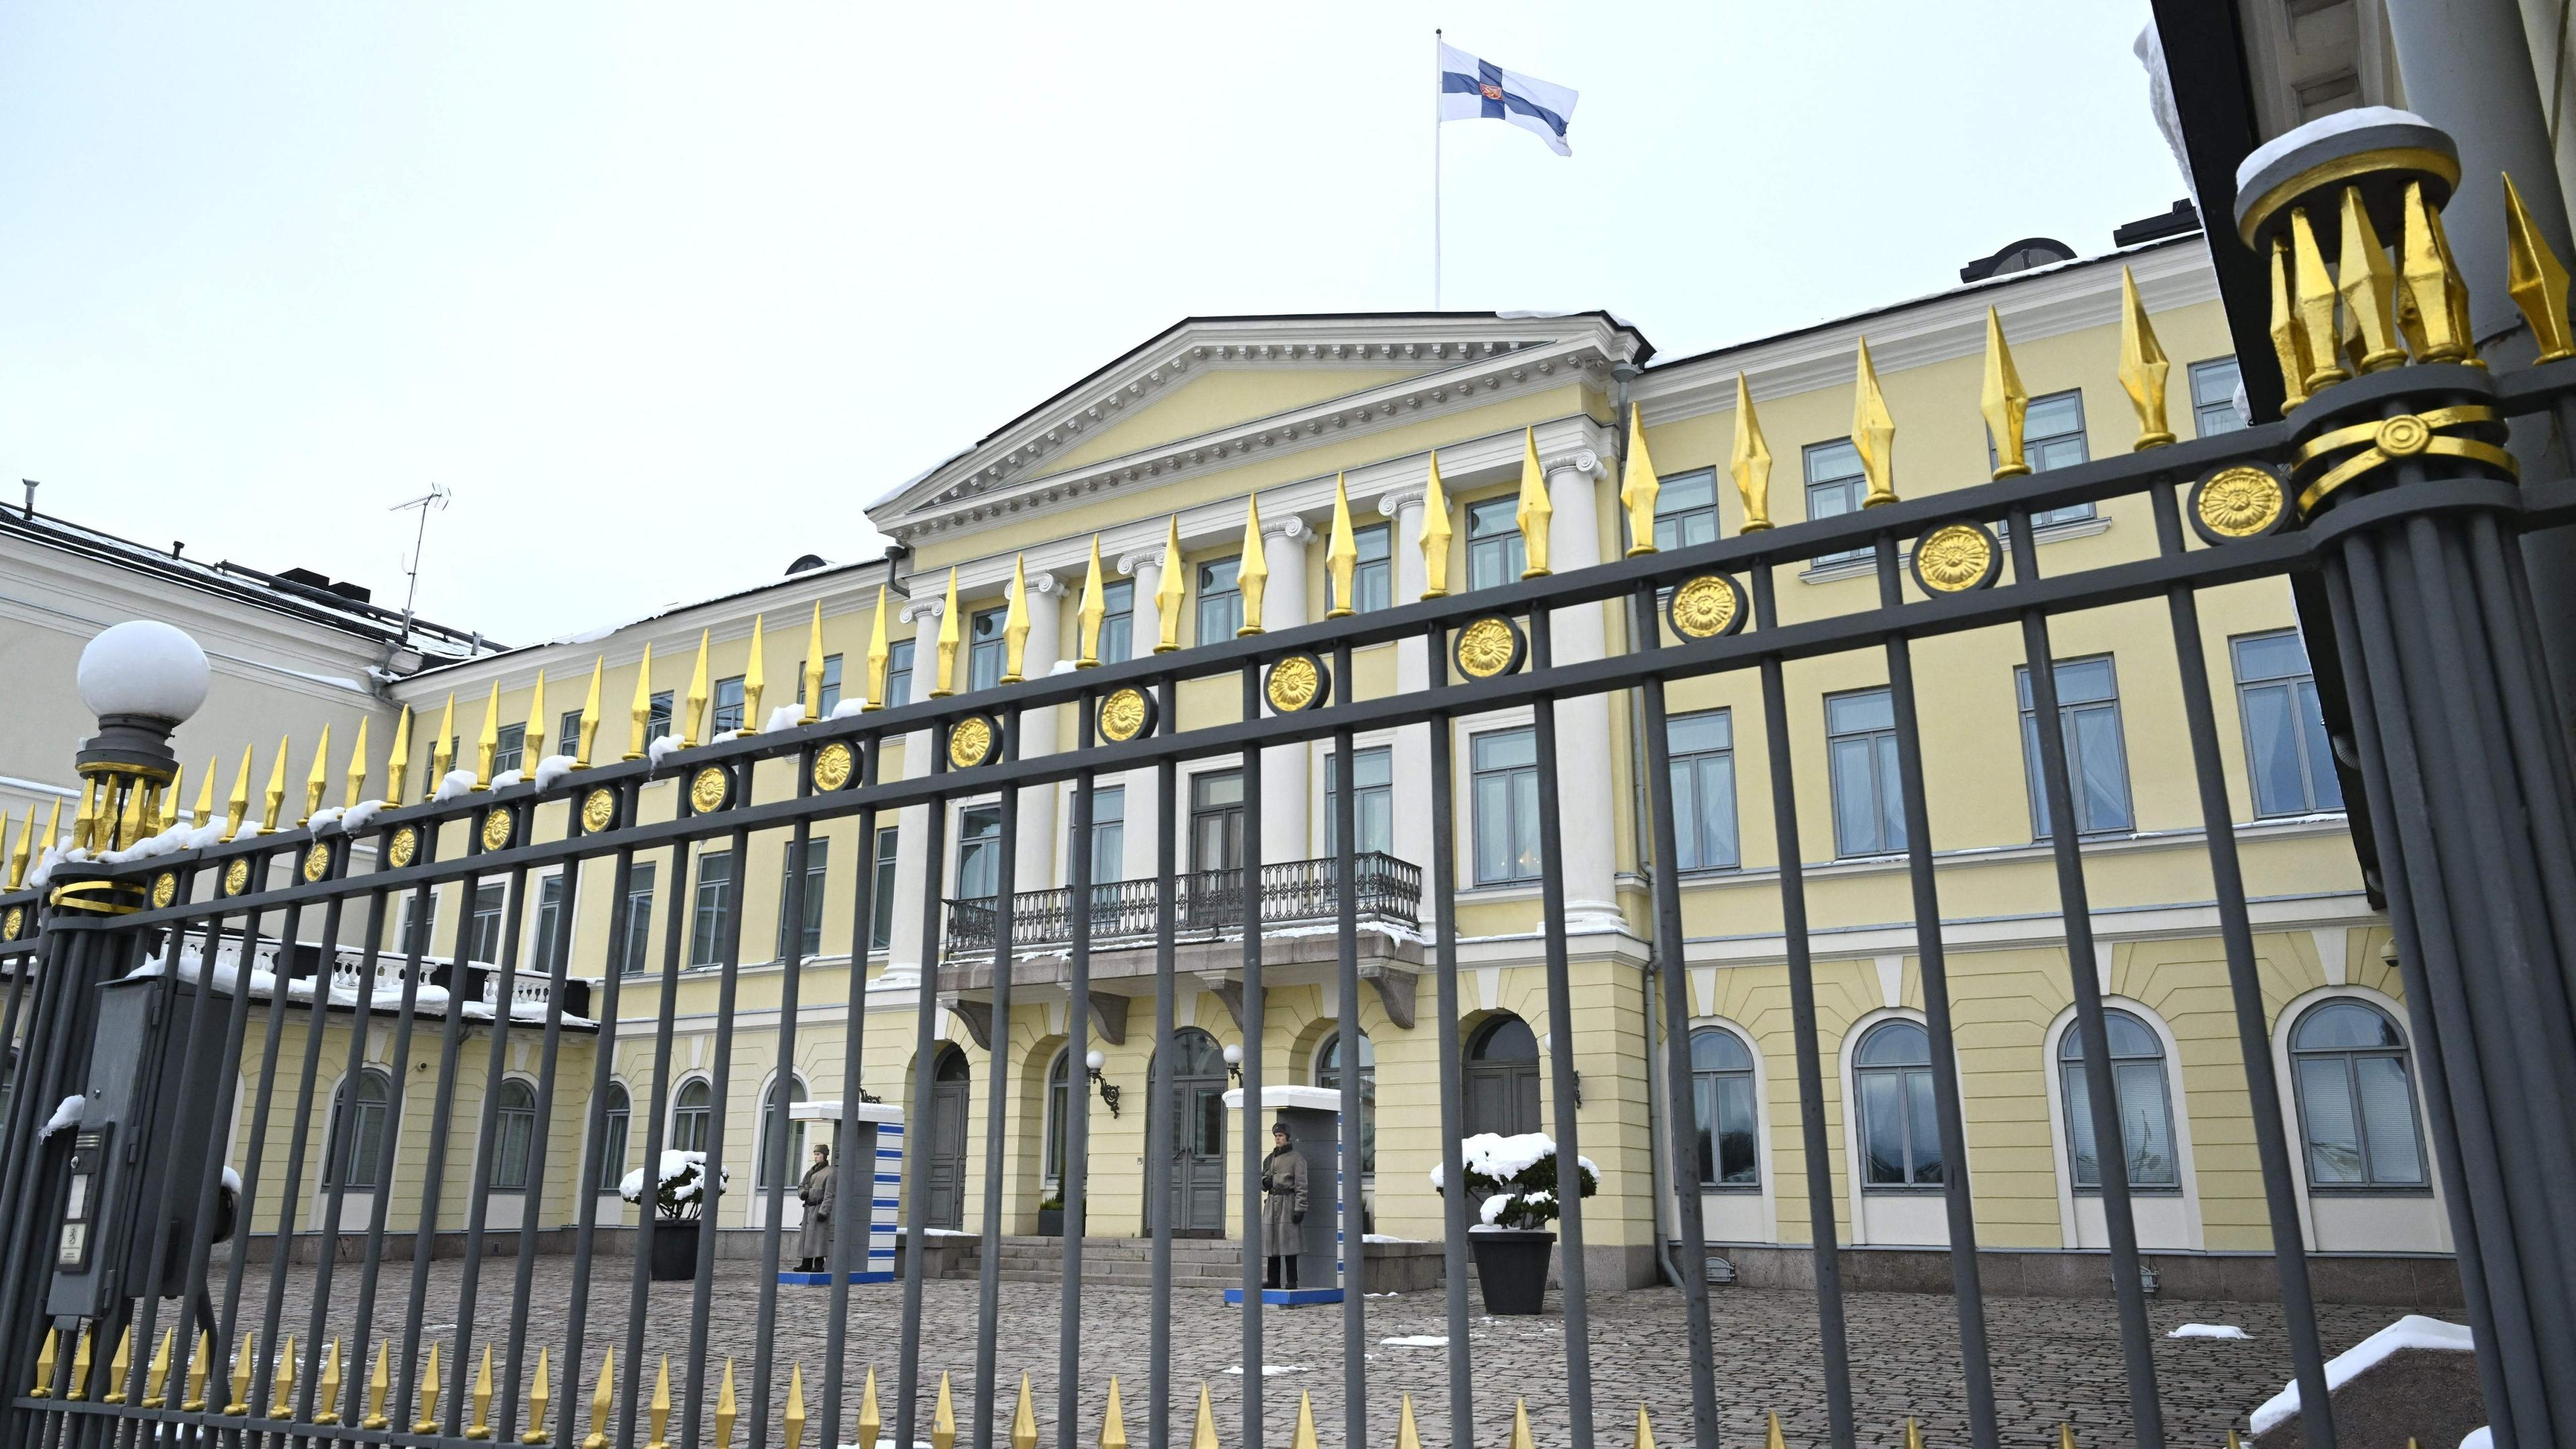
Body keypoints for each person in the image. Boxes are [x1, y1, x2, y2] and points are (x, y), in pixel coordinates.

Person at [1260, 1118, 1307, 1290]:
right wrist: (1266, 1182)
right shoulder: (1270, 1158)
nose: (1278, 1138)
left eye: (1280, 1135)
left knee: (1289, 1243)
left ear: (1287, 1137)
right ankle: (1273, 1280)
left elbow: (1302, 1184)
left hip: (1288, 1203)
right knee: (1271, 1243)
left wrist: (1300, 1207)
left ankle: (1292, 1280)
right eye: (1276, 1136)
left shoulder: (1297, 1159)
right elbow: (1262, 1176)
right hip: (1272, 1203)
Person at [796, 1143, 835, 1273]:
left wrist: (824, 1211)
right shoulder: (811, 1171)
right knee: (807, 1238)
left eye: (818, 1154)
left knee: (819, 1239)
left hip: (818, 1208)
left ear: (824, 1156)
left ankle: (819, 1264)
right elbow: (801, 1186)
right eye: (815, 1154)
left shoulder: (830, 1172)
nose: (816, 1157)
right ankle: (806, 1263)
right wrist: (803, 1193)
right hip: (808, 1209)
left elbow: (829, 1194)